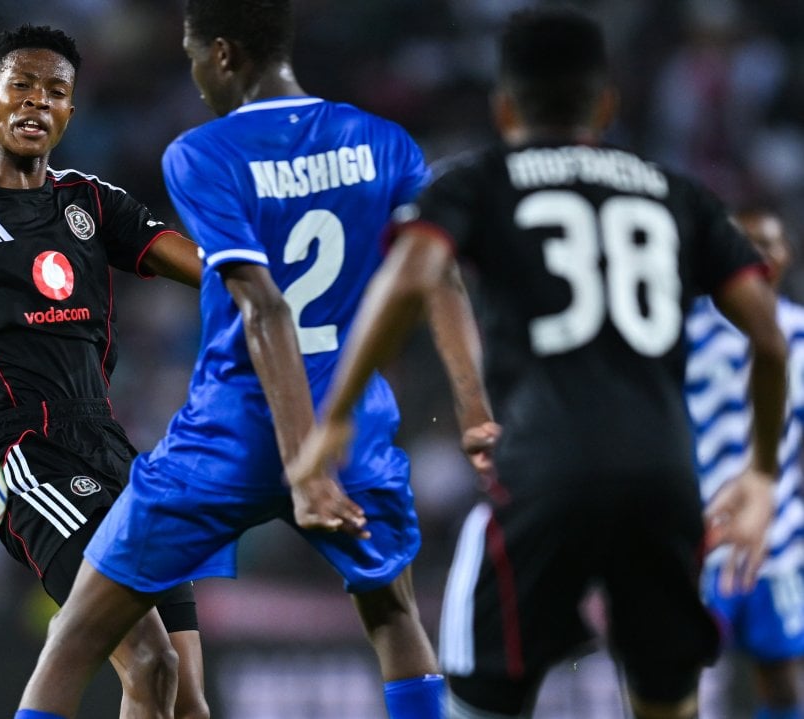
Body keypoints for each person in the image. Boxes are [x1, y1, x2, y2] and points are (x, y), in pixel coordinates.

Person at [288, 8, 787, 719]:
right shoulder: (677, 193)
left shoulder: (483, 180)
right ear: (607, 104)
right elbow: (767, 337)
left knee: (488, 698)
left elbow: (412, 274)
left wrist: (335, 416)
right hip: (665, 476)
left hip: (544, 470)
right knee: (666, 699)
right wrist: (762, 472)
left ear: (504, 105)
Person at [15, 1, 460, 717]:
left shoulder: (202, 152)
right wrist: (472, 411)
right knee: (394, 617)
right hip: (350, 432)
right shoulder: (385, 142)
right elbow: (438, 276)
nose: (194, 77)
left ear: (222, 54)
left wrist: (299, 463)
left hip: (229, 434)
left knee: (76, 635)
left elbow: (265, 305)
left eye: (194, 57)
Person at [0, 24, 210, 719]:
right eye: (21, 86)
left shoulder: (91, 201)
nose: (36, 102)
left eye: (55, 92)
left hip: (116, 449)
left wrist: (276, 282)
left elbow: (208, 271)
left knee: (187, 698)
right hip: (30, 456)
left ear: (70, 111)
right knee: (149, 664)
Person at [687, 208, 804, 719]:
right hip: (696, 532)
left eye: (767, 243)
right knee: (678, 674)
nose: (757, 255)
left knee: (781, 680)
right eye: (745, 243)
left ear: (786, 255)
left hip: (780, 539)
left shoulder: (800, 334)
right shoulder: (685, 332)